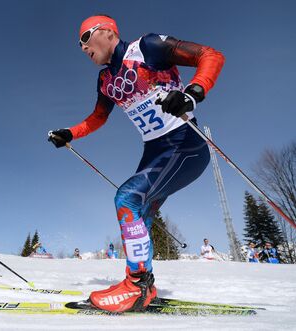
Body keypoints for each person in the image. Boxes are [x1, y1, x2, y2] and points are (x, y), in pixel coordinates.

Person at [48, 14, 224, 313]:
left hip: (184, 144)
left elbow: (211, 55)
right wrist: (70, 133)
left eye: (84, 38)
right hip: (154, 151)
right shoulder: (105, 79)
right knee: (137, 213)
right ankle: (143, 284)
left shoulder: (147, 47)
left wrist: (192, 93)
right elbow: (98, 118)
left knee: (127, 198)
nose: (82, 48)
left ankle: (137, 285)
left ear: (106, 31)